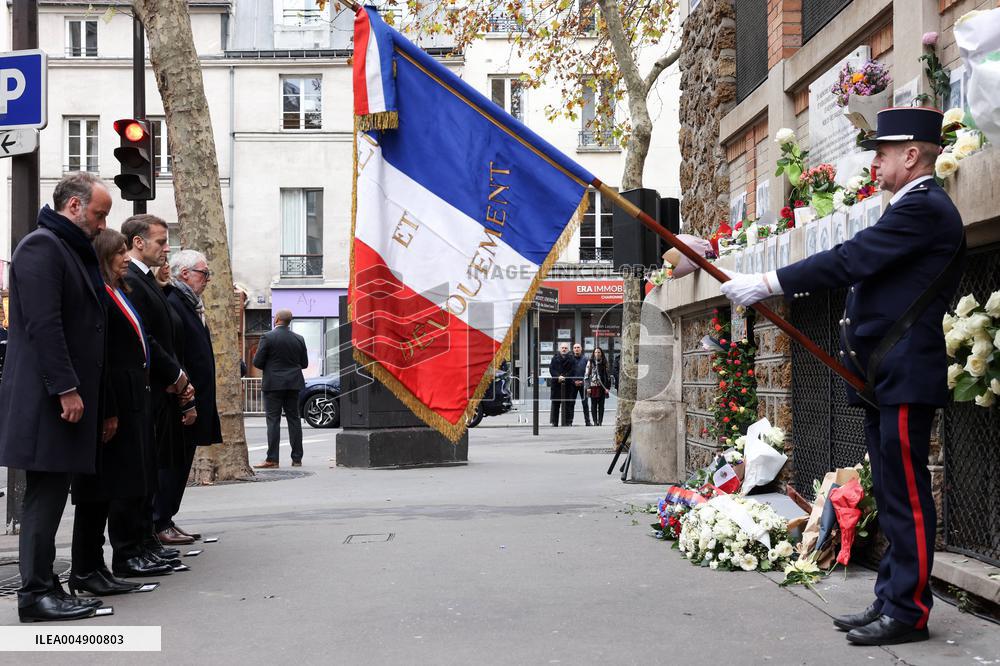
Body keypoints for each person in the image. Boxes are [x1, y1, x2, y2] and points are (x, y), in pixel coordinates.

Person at [721, 108, 965, 647]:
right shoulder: (908, 207)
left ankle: (909, 612)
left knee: (907, 499)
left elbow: (852, 259)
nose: (874, 162)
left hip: (903, 375)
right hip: (885, 376)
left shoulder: (924, 208)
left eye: (883, 152)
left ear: (911, 155)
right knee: (895, 492)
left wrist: (767, 281)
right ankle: (890, 598)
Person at [0, 172, 111, 622]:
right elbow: (45, 326)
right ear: (74, 207)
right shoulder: (43, 247)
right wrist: (66, 388)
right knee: (44, 497)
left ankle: (47, 587)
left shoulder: (65, 247)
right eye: (100, 214)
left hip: (56, 397)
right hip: (48, 398)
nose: (104, 224)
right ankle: (36, 594)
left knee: (52, 494)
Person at [70, 229, 160, 596]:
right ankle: (86, 568)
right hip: (111, 400)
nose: (126, 257)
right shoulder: (99, 294)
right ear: (105, 255)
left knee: (114, 487)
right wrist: (108, 407)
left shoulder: (118, 290)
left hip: (129, 396)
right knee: (100, 490)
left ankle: (96, 567)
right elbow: (102, 356)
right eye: (120, 252)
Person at [122, 214, 196, 557]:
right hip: (150, 388)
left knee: (152, 468)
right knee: (142, 473)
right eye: (161, 242)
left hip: (161, 388)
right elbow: (146, 337)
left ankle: (147, 541)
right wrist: (175, 375)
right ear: (139, 242)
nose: (167, 249)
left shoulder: (148, 279)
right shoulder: (133, 280)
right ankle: (138, 545)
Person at [161, 249, 222, 542]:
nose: (207, 279)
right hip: (183, 400)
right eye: (203, 273)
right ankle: (161, 521)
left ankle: (166, 519)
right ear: (185, 274)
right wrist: (188, 398)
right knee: (174, 463)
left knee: (182, 461)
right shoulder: (176, 302)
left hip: (194, 398)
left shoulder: (189, 303)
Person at [252, 309, 308, 468]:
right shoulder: (299, 339)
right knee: (294, 419)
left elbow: (257, 362)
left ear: (276, 319)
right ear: (289, 321)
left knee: (273, 421)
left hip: (273, 385)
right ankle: (297, 458)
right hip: (293, 384)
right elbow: (304, 364)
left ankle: (272, 459)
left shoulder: (267, 337)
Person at [566, 343, 591, 426]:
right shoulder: (570, 359)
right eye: (575, 348)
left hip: (583, 384)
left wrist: (583, 382)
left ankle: (587, 422)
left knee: (585, 404)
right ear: (573, 349)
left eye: (578, 347)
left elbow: (588, 373)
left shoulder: (586, 359)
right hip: (572, 384)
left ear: (581, 349)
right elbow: (568, 372)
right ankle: (569, 422)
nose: (576, 349)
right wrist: (574, 381)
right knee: (571, 403)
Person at [585, 347, 611, 426]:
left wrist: (608, 388)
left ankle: (600, 421)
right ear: (593, 353)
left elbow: (608, 376)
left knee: (601, 405)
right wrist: (588, 387)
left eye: (599, 352)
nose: (597, 354)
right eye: (596, 352)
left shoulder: (605, 362)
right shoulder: (590, 362)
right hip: (593, 386)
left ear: (601, 353)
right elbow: (586, 375)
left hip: (602, 387)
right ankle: (595, 422)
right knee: (593, 405)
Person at [548, 342, 571, 427]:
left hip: (567, 384)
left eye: (565, 348)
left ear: (568, 349)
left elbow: (573, 370)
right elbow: (551, 369)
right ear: (559, 349)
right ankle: (555, 422)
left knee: (567, 404)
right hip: (556, 384)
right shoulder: (554, 358)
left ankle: (566, 422)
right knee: (555, 404)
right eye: (562, 348)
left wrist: (565, 377)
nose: (564, 349)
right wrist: (558, 376)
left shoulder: (571, 358)